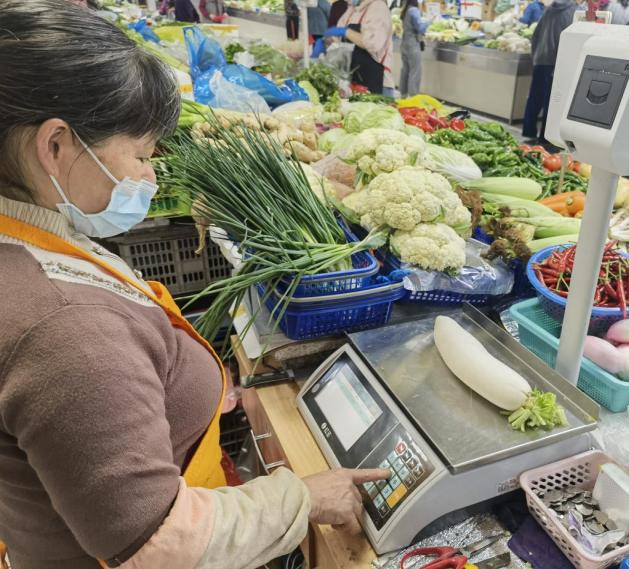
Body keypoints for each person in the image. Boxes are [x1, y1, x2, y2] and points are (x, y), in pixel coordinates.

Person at [0, 2, 389, 568]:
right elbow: (157, 543)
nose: (152, 175)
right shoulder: (65, 328)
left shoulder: (29, 234)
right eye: (140, 154)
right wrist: (301, 497)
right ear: (55, 145)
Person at [522, 0, 578, 143]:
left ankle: (529, 131)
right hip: (556, 63)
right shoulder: (573, 13)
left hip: (541, 59)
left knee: (534, 98)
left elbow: (536, 34)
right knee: (552, 102)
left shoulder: (548, 10)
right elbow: (569, 42)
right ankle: (545, 138)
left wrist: (535, 56)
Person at [327, 0, 395, 95]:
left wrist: (346, 32)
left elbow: (374, 43)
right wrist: (327, 40)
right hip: (354, 81)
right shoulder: (353, 10)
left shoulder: (378, 7)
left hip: (376, 82)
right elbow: (338, 36)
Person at [400, 0, 429, 97]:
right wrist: (430, 21)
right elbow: (420, 28)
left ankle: (403, 95)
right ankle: (413, 96)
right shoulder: (414, 10)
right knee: (415, 71)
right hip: (412, 44)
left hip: (404, 43)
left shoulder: (406, 9)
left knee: (405, 70)